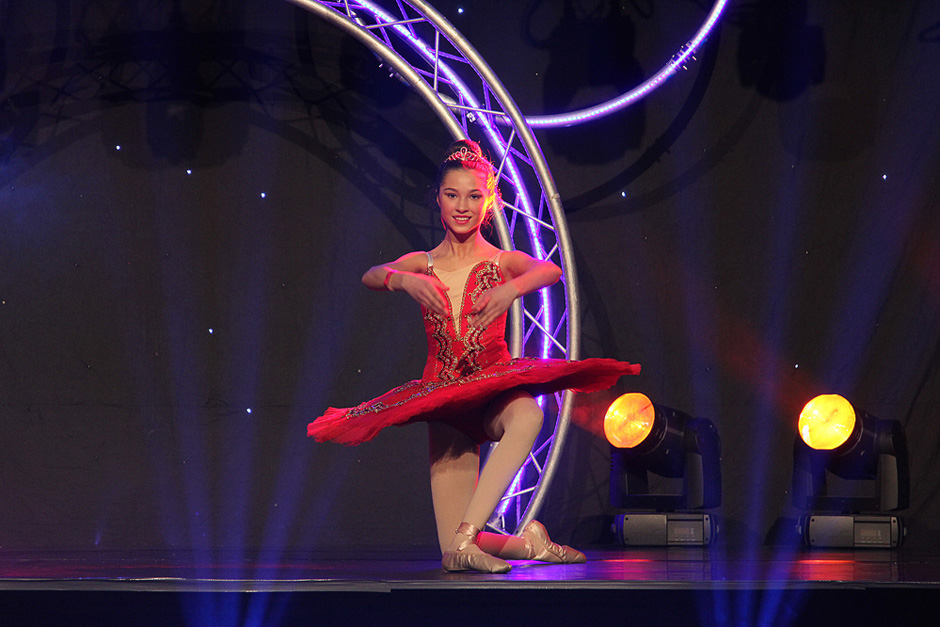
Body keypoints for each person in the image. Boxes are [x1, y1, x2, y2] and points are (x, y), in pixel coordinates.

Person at [308, 139, 640, 573]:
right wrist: (402, 280)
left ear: (490, 202)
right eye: (452, 195)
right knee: (451, 556)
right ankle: (529, 545)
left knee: (528, 416)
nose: (462, 206)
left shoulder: (501, 260)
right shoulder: (423, 263)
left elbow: (550, 269)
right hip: (444, 399)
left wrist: (511, 289)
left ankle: (469, 537)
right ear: (438, 200)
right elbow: (372, 275)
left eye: (473, 196)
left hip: (492, 390)